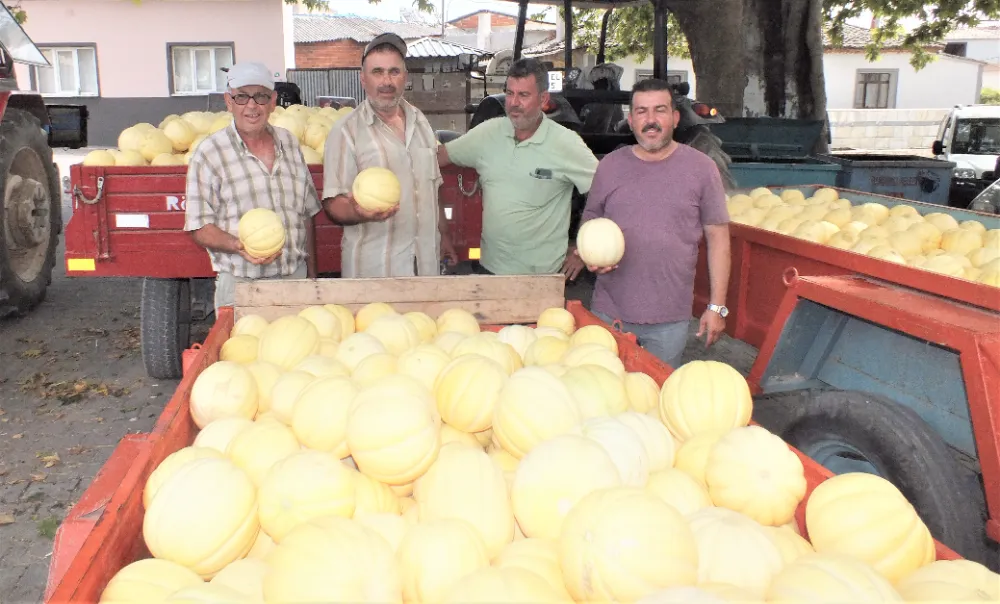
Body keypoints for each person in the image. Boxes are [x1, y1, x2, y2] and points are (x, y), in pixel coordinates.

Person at [578, 77, 732, 369]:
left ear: (675, 117)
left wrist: (716, 307)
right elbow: (591, 218)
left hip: (669, 320)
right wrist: (590, 257)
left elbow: (719, 239)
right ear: (631, 120)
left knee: (657, 398)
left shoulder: (702, 169)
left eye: (659, 110)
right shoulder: (609, 166)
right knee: (603, 392)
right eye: (641, 111)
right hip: (610, 313)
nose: (650, 120)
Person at [437, 58, 598, 279]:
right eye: (510, 93)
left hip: (543, 276)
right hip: (489, 269)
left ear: (543, 99)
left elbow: (607, 193)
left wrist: (584, 248)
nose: (513, 103)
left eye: (523, 95)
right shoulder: (488, 133)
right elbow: (435, 159)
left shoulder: (566, 143)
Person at [184, 61, 322, 312]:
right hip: (241, 286)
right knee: (243, 352)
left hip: (295, 282)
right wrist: (239, 245)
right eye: (241, 97)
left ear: (273, 101)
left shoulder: (289, 143)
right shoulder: (209, 153)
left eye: (260, 96)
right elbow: (199, 227)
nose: (251, 106)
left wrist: (312, 278)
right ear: (228, 101)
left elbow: (306, 215)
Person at [321, 33, 457, 278]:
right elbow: (332, 203)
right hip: (375, 272)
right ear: (363, 79)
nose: (386, 81)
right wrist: (358, 212)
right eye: (377, 72)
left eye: (394, 71)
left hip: (425, 266)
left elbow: (432, 187)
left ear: (405, 77)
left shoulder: (421, 122)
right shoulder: (346, 131)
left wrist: (444, 234)